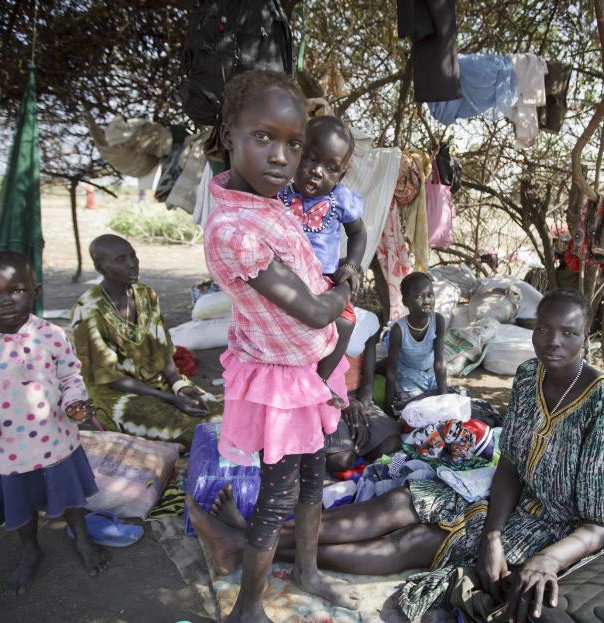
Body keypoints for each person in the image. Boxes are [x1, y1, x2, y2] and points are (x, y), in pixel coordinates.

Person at [188, 288, 604, 622]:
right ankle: (252, 540)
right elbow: (509, 461)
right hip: (507, 497)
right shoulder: (530, 376)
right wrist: (492, 533)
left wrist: (548, 561)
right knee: (398, 503)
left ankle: (245, 545)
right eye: (546, 329)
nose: (554, 342)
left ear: (586, 338)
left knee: (416, 542)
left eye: (569, 333)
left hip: (561, 528)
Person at [201, 69, 360, 621]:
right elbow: (316, 308)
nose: (281, 158)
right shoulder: (232, 230)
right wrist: (345, 289)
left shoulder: (270, 203)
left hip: (311, 368)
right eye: (263, 137)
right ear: (228, 136)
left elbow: (308, 274)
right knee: (277, 496)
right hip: (282, 377)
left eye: (294, 144)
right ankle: (249, 607)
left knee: (315, 478)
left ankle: (310, 573)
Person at [0, 250, 110, 595]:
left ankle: (82, 538)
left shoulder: (51, 335)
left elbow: (70, 376)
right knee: (22, 505)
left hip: (55, 440)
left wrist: (75, 403)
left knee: (71, 497)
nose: (5, 301)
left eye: (16, 290)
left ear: (35, 291)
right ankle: (30, 550)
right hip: (5, 450)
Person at [70, 234, 221, 448]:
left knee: (219, 414)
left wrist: (178, 386)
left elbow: (163, 350)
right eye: (121, 259)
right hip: (118, 396)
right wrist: (170, 399)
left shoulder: (145, 295)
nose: (132, 264)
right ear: (101, 267)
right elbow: (111, 378)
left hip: (160, 383)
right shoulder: (89, 311)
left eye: (133, 256)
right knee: (194, 429)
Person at [279, 115, 367, 407]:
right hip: (282, 278)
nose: (317, 172)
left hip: (324, 280)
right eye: (311, 159)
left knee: (345, 323)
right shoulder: (278, 192)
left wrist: (352, 266)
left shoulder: (341, 199)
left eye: (331, 168)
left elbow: (358, 234)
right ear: (296, 153)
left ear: (341, 176)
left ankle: (322, 379)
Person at [326, 329, 402, 472]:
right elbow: (316, 378)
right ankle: (358, 458)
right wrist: (345, 403)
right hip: (327, 399)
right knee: (341, 462)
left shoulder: (367, 322)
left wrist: (362, 409)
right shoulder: (316, 320)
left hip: (359, 398)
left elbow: (368, 380)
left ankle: (367, 461)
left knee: (391, 445)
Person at [385, 271, 448, 412]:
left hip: (432, 374)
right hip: (409, 376)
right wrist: (387, 406)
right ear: (405, 302)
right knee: (418, 410)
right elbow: (392, 369)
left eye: (430, 295)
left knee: (444, 404)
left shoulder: (438, 321)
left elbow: (439, 362)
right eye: (419, 296)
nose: (426, 301)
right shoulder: (398, 330)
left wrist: (445, 400)